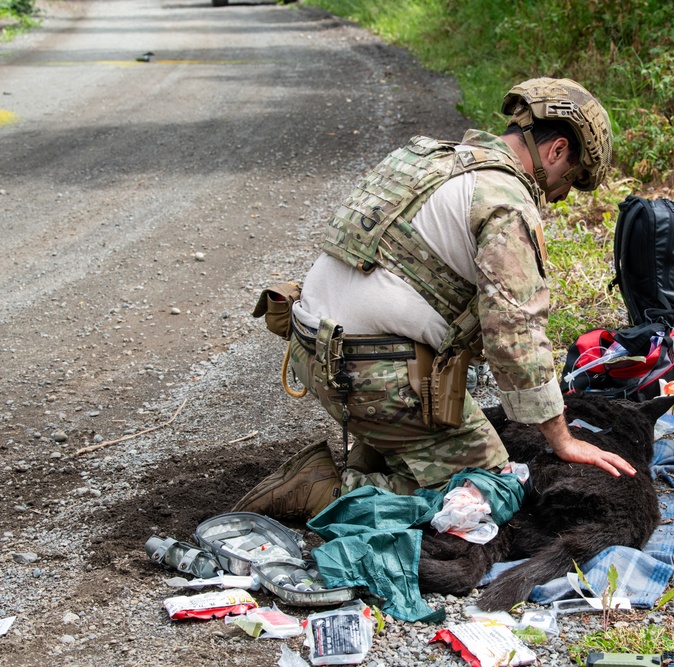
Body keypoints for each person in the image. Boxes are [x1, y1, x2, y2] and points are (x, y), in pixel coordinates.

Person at [234, 78, 636, 521]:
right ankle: (329, 489)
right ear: (557, 151)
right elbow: (515, 334)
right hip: (367, 373)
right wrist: (562, 440)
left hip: (311, 349)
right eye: (572, 179)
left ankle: (380, 451)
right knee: (492, 491)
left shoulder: (425, 158)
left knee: (432, 389)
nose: (559, 197)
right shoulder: (506, 201)